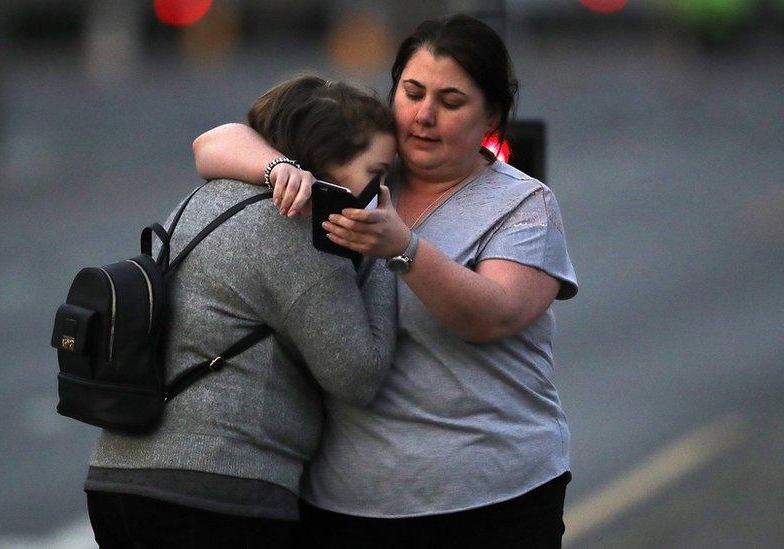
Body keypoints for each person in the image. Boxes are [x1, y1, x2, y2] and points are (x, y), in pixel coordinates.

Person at [191, 13, 579, 547]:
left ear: (491, 114)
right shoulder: (359, 167)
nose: (424, 115)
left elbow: (495, 315)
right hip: (342, 504)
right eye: (412, 92)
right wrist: (278, 168)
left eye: (451, 101)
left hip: (492, 499)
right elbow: (215, 142)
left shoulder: (523, 204)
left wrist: (405, 249)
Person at [84, 75, 398, 548]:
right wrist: (384, 252)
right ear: (328, 164)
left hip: (119, 478)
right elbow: (358, 375)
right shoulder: (295, 232)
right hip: (216, 495)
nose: (381, 190)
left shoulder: (207, 196)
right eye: (377, 171)